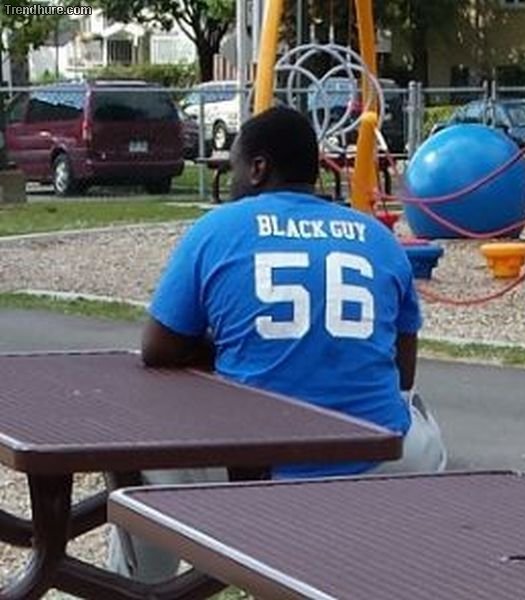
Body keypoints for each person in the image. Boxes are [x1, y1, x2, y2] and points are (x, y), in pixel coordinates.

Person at [109, 106, 446, 582]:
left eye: (234, 166)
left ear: (258, 167)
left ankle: (138, 588)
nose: (231, 179)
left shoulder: (218, 229)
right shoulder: (378, 237)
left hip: (255, 468)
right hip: (376, 461)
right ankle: (414, 567)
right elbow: (403, 373)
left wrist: (228, 350)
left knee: (147, 455)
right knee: (420, 418)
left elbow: (158, 350)